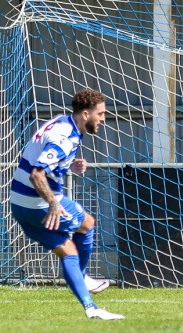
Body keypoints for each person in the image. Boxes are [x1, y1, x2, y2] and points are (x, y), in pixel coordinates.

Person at [10, 88, 124, 320]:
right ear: (85, 114)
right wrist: (52, 202)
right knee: (88, 224)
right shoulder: (65, 137)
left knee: (69, 250)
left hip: (19, 205)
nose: (103, 119)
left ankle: (91, 309)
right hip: (38, 202)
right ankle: (82, 277)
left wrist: (70, 166)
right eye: (100, 114)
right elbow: (37, 174)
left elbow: (41, 158)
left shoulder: (62, 122)